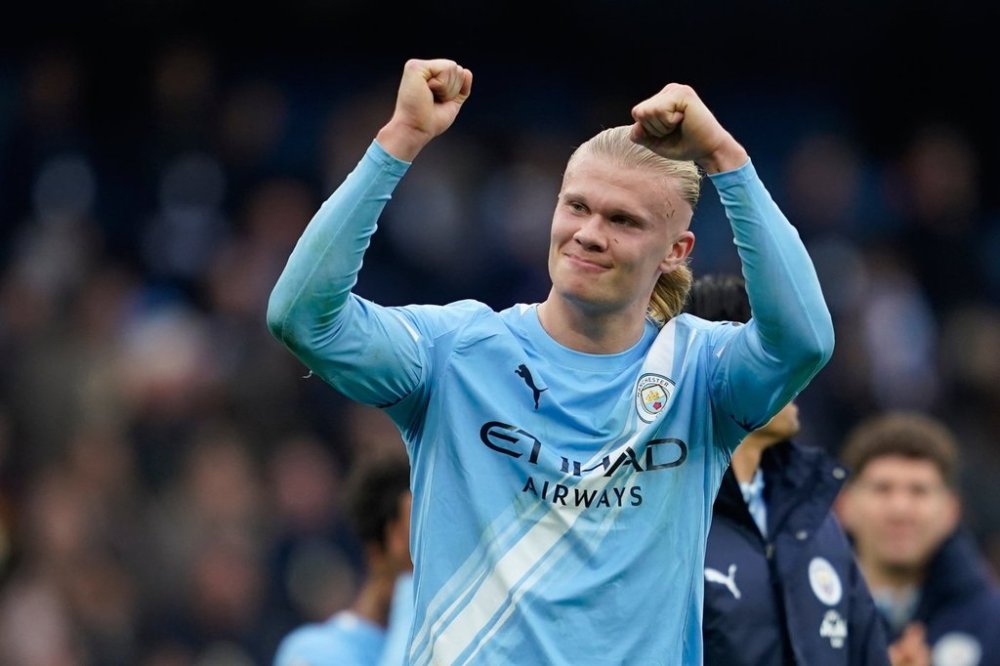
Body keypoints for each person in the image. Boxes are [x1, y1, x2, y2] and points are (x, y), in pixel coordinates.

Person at [267, 57, 835, 664]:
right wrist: (400, 139)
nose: (589, 233)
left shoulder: (699, 373)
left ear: (677, 250)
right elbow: (302, 316)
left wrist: (724, 155)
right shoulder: (455, 353)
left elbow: (803, 341)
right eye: (577, 207)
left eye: (623, 220)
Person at [686, 273, 889, 665]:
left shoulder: (814, 515)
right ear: (721, 367)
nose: (796, 374)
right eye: (773, 355)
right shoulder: (662, 513)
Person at [835, 411, 1000, 666]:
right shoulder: (800, 610)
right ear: (844, 505)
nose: (900, 509)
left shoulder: (991, 619)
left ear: (951, 511)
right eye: (882, 488)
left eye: (919, 491)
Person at [273, 457, 414, 666]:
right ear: (376, 552)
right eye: (413, 542)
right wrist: (410, 591)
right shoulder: (314, 651)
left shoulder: (459, 640)